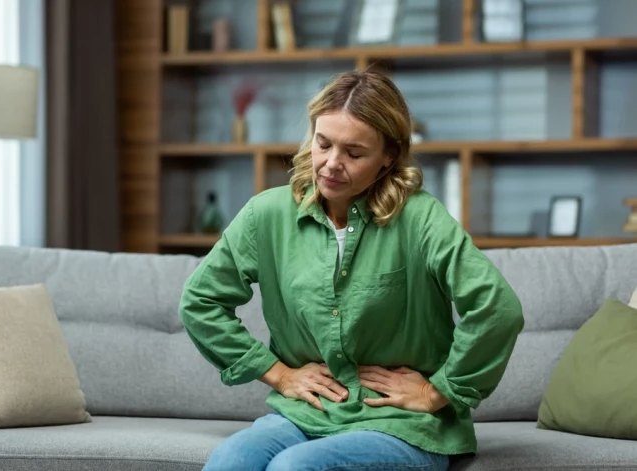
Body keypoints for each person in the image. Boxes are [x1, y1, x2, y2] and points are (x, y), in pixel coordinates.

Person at [179, 70, 524, 471]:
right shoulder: (266, 215)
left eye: (354, 153)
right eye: (323, 143)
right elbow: (200, 301)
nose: (331, 164)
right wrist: (278, 374)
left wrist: (438, 392)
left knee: (295, 469)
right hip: (306, 415)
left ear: (388, 156)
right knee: (231, 459)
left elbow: (497, 309)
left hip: (402, 425)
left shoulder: (420, 218)